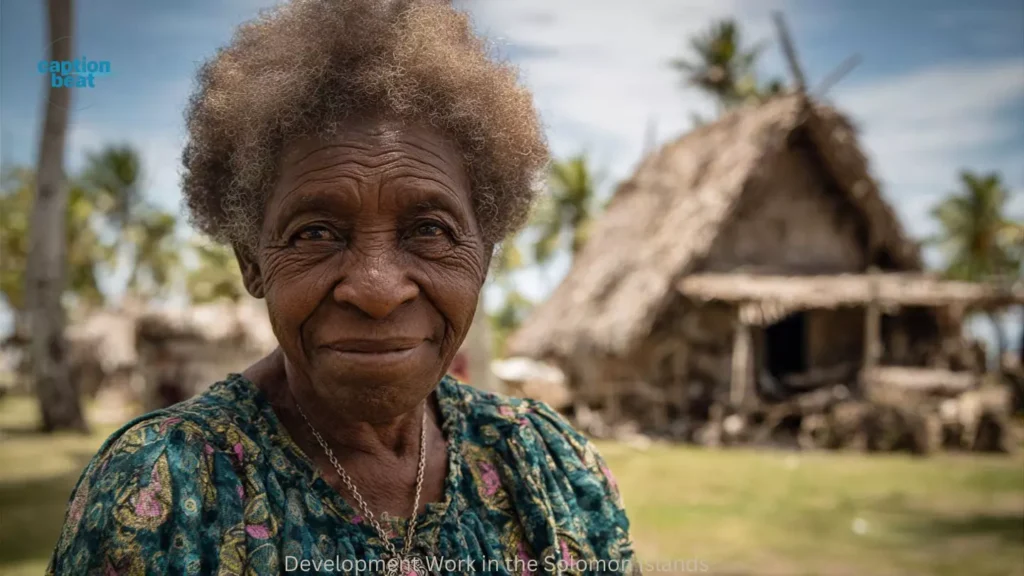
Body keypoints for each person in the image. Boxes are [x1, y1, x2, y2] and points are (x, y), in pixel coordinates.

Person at [47, 1, 639, 574]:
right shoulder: (161, 492)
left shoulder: (545, 463)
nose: (377, 289)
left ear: (483, 256)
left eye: (429, 229)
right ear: (252, 262)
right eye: (316, 233)